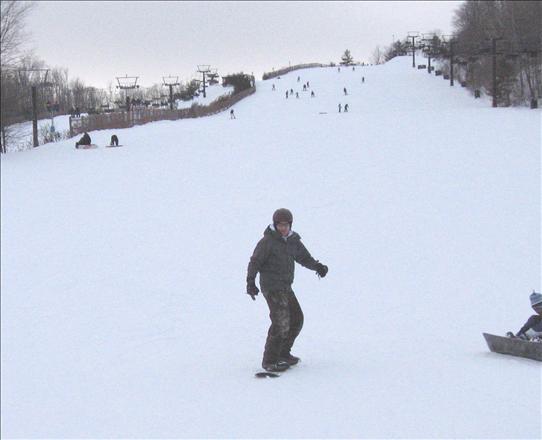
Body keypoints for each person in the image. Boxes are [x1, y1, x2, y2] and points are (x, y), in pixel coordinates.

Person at [246, 208, 328, 373]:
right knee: (281, 322)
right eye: (280, 225)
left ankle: (283, 353)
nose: (283, 228)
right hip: (272, 287)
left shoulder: (292, 241)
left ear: (290, 225)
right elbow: (255, 262)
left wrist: (317, 266)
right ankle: (270, 360)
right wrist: (251, 282)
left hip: (285, 287)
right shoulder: (267, 242)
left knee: (297, 319)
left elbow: (304, 257)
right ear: (275, 225)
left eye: (285, 225)